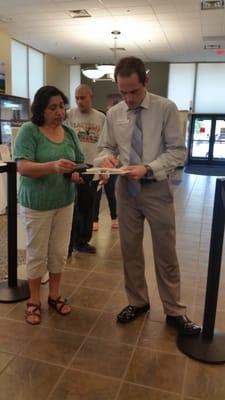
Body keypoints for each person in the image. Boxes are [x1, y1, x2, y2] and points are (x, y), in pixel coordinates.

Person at [94, 57, 201, 336]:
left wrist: (148, 168)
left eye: (133, 91)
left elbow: (178, 152)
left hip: (156, 190)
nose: (128, 98)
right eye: (123, 91)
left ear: (146, 82)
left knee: (165, 252)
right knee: (130, 251)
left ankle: (175, 310)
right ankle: (138, 302)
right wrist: (106, 159)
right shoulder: (115, 113)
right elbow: (104, 147)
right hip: (125, 192)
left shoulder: (165, 108)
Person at [14, 85, 85, 325]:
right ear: (40, 110)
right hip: (37, 204)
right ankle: (34, 300)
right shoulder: (29, 131)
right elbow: (22, 167)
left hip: (64, 202)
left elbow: (79, 163)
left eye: (62, 107)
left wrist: (75, 173)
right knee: (36, 253)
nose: (59, 112)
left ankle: (54, 295)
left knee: (58, 251)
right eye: (52, 108)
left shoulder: (69, 132)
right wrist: (53, 166)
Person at [67, 84, 105, 255]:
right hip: (72, 167)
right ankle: (68, 242)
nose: (79, 101)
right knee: (69, 207)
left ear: (91, 97)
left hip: (92, 168)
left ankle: (82, 241)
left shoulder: (101, 118)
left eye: (83, 98)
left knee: (87, 208)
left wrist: (103, 169)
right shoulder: (69, 115)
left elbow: (105, 145)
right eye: (77, 98)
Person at [92, 94, 122, 231]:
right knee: (96, 194)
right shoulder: (105, 122)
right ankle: (94, 219)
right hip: (99, 163)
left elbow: (114, 148)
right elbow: (104, 148)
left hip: (113, 165)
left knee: (110, 192)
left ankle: (114, 217)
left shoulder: (114, 124)